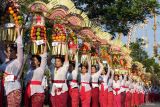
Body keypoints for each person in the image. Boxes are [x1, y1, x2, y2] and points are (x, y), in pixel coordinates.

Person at [0, 25, 24, 107]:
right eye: (8, 51)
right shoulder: (6, 61)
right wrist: (2, 32)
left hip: (14, 89)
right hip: (5, 88)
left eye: (11, 51)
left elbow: (20, 46)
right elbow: (0, 49)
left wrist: (18, 32)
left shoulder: (18, 61)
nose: (9, 53)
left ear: (16, 52)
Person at [24, 42, 47, 107]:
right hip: (28, 91)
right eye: (32, 60)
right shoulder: (29, 69)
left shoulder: (41, 69)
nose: (33, 61)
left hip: (38, 92)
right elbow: (28, 57)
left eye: (35, 60)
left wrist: (44, 45)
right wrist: (31, 44)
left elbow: (44, 57)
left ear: (39, 62)